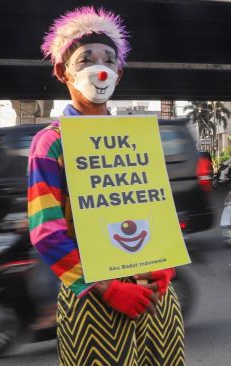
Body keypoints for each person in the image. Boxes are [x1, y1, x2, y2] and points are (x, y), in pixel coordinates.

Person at [28, 7, 184, 365]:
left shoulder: (135, 138)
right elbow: (46, 230)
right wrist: (105, 287)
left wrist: (166, 267)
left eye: (108, 59)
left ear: (119, 72)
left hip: (156, 294)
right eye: (85, 59)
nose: (99, 67)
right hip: (95, 301)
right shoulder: (51, 143)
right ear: (62, 71)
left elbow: (157, 209)